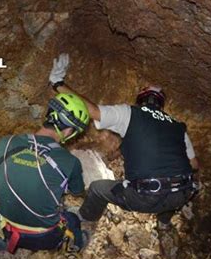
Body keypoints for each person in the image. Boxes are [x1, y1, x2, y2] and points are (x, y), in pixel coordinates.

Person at [48, 54, 199, 230]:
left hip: (145, 197)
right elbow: (194, 164)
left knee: (98, 188)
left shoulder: (131, 113)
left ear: (141, 100)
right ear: (161, 104)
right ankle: (164, 223)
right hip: (181, 194)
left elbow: (93, 111)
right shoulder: (178, 127)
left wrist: (58, 83)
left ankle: (84, 218)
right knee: (175, 187)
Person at [0, 75, 91, 254]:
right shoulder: (69, 162)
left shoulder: (5, 143)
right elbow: (77, 191)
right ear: (69, 131)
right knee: (72, 219)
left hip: (6, 229)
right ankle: (74, 244)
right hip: (42, 238)